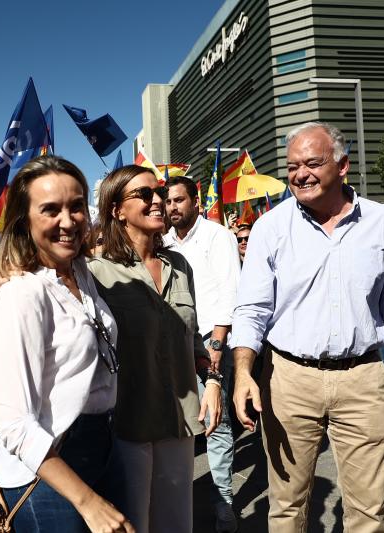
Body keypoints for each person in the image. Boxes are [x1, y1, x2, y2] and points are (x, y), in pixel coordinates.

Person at [231, 121, 384, 532]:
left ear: (343, 165)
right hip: (288, 380)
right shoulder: (270, 227)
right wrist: (244, 372)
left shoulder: (382, 220)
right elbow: (252, 308)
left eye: (312, 163)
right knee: (287, 505)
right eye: (292, 165)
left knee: (370, 511)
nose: (300, 174)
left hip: (364, 379)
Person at [0, 156, 132, 533]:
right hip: (48, 472)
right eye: (50, 210)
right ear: (24, 219)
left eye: (77, 206)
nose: (68, 222)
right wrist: (87, 502)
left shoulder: (80, 272)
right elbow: (10, 419)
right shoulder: (23, 294)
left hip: (102, 447)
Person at [89, 164, 222, 533]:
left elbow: (192, 336)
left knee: (178, 523)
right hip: (127, 423)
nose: (157, 201)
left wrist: (212, 381)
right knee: (133, 524)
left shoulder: (179, 265)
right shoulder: (96, 273)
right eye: (143, 195)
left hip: (180, 418)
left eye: (159, 193)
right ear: (117, 210)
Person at [164, 175, 241, 532]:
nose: (172, 208)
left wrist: (217, 347)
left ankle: (224, 503)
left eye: (179, 200)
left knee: (215, 423)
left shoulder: (218, 237)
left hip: (210, 340)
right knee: (177, 423)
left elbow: (229, 294)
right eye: (168, 202)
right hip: (172, 344)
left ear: (196, 201)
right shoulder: (163, 242)